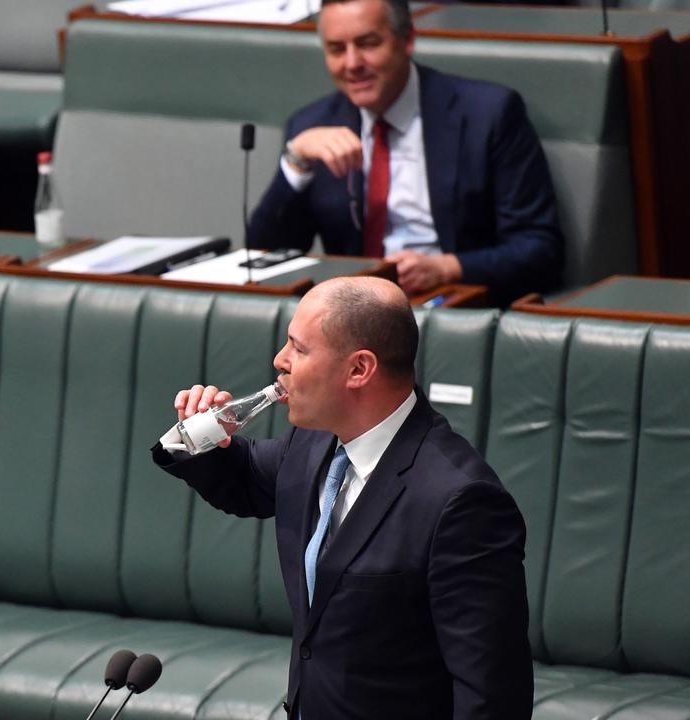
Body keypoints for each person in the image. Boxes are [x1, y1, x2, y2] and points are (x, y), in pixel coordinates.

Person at [153, 276, 531, 719]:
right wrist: (194, 435)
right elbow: (246, 479)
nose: (280, 360)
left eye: (298, 348)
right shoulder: (313, 445)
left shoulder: (461, 502)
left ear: (359, 369)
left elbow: (490, 696)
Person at [246, 0, 564, 306]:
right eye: (336, 49)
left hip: (452, 304)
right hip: (351, 318)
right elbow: (264, 255)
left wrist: (447, 268)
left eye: (368, 43)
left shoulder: (488, 115)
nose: (352, 63)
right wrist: (296, 164)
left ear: (407, 39)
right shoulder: (311, 127)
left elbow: (539, 250)